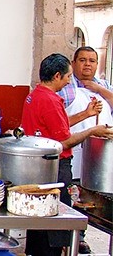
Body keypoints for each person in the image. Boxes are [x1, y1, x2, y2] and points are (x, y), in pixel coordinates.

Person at [20, 53, 113, 256]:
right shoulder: (51, 100)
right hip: (55, 168)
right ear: (57, 76)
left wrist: (86, 114)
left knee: (39, 223)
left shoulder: (36, 95)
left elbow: (56, 126)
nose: (70, 80)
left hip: (40, 166)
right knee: (54, 224)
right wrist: (91, 131)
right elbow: (62, 142)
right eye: (68, 76)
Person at [56, 47, 111, 253]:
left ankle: (82, 235)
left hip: (100, 156)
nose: (87, 64)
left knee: (93, 200)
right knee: (70, 197)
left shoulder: (104, 86)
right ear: (74, 62)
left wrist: (98, 90)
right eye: (82, 60)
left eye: (92, 61)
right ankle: (69, 237)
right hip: (74, 151)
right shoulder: (67, 88)